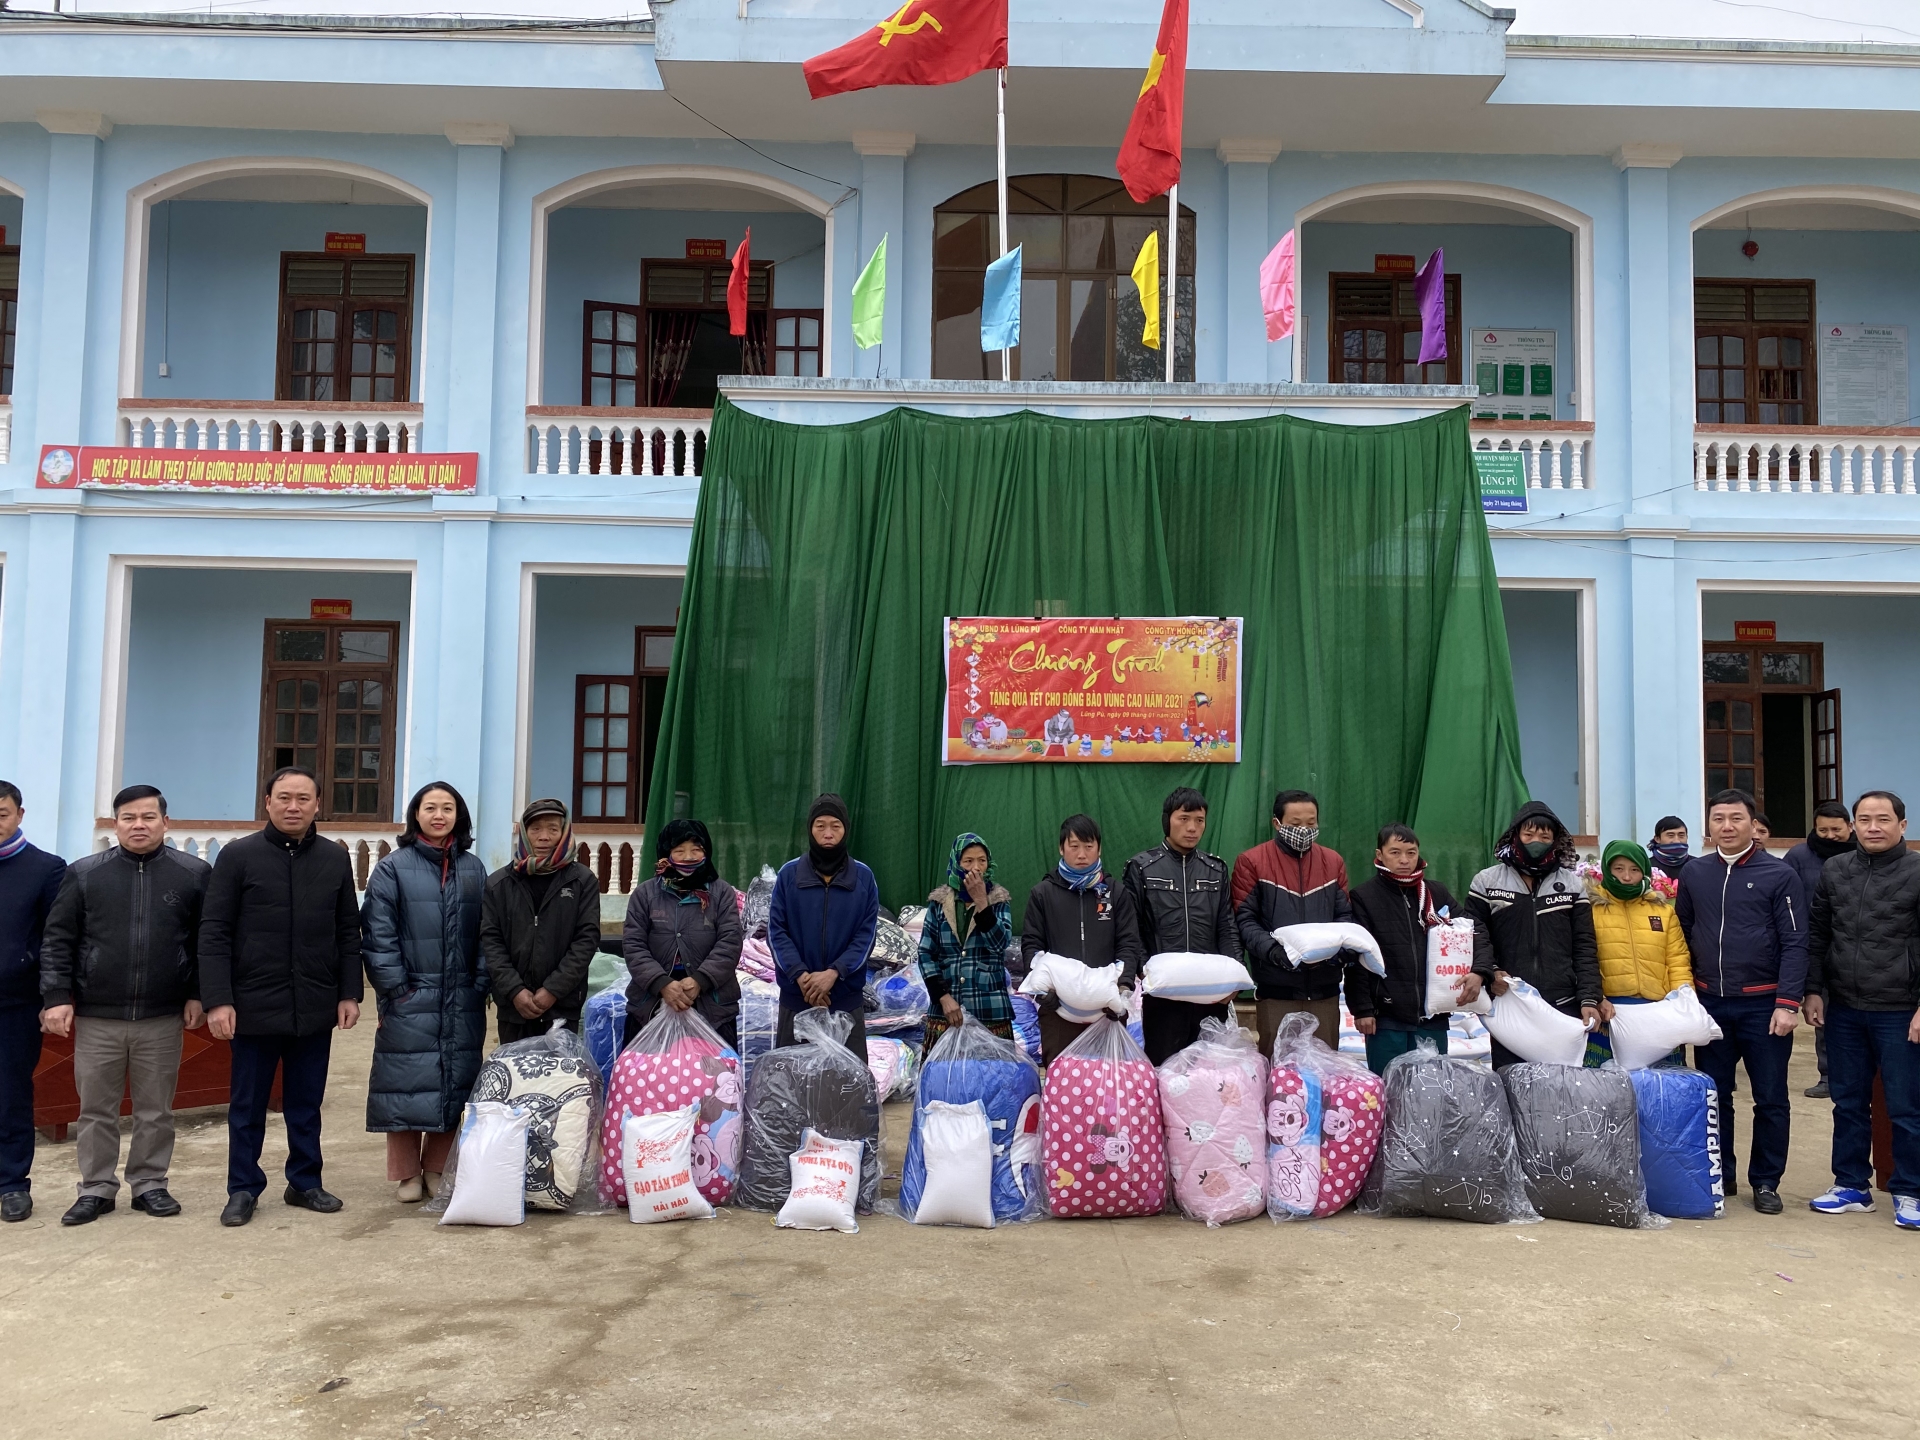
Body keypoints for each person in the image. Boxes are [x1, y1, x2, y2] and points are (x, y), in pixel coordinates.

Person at [199, 767, 362, 1228]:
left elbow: (348, 931)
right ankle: (243, 1188)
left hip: (314, 1002)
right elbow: (214, 932)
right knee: (247, 1105)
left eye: (304, 799)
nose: (294, 806)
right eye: (284, 797)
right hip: (252, 1004)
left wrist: (349, 992)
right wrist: (218, 999)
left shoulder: (333, 859)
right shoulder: (238, 856)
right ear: (267, 801)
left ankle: (305, 1181)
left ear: (317, 805)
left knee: (306, 1103)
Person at [37, 785, 208, 1225]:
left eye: (148, 817)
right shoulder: (85, 874)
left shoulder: (192, 874)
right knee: (95, 1110)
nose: (138, 825)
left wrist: (198, 993)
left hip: (162, 1014)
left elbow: (205, 941)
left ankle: (150, 1184)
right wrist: (56, 998)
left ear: (165, 823)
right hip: (97, 1015)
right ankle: (95, 1188)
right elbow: (58, 939)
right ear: (116, 824)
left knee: (156, 1109)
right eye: (129, 817)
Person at [1675, 788, 1806, 1215]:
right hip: (1711, 1004)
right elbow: (1682, 933)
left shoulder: (1779, 874)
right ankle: (1722, 1174)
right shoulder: (1695, 873)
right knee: (1715, 1095)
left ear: (1753, 824)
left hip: (1763, 1006)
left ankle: (1766, 1181)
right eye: (1718, 819)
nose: (1726, 827)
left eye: (1735, 818)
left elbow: (1795, 941)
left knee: (1770, 1097)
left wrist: (1788, 1003)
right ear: (1708, 826)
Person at [361, 782, 488, 1204]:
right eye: (430, 807)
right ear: (416, 814)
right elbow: (378, 934)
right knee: (405, 1082)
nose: (439, 815)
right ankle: (405, 1174)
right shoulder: (392, 868)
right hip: (410, 994)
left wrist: (480, 982)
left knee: (455, 1082)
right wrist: (396, 988)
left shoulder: (473, 868)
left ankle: (437, 1168)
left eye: (447, 808)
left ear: (458, 815)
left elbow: (489, 932)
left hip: (462, 995)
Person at [1804, 790, 1920, 1230]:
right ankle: (1851, 1184)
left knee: (1906, 1106)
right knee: (1847, 1101)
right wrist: (1813, 990)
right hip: (1845, 1008)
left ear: (1902, 826)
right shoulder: (1836, 870)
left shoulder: (1916, 871)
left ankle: (1910, 1190)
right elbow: (1818, 934)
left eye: (1883, 819)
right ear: (1854, 825)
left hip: (1899, 1008)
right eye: (1865, 819)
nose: (1874, 827)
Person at [1466, 801, 1604, 1070]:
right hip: (1510, 1004)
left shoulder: (1573, 885)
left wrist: (1590, 998)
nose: (1536, 841)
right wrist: (1490, 972)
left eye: (1544, 836)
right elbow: (1476, 934)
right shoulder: (1486, 882)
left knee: (1560, 1087)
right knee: (1511, 1082)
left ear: (1555, 840)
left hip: (1562, 1004)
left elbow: (1585, 946)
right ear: (1515, 835)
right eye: (1528, 835)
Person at [1122, 787, 1242, 1065]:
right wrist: (1145, 972)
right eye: (1184, 818)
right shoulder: (1141, 868)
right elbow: (1132, 929)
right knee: (1165, 1071)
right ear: (1167, 820)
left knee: (1209, 1076)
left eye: (1199, 820)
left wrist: (1235, 978)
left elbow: (1226, 926)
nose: (1192, 828)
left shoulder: (1216, 869)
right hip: (1164, 998)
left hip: (1211, 995)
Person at [1232, 790, 1354, 1060]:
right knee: (1278, 1072)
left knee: (1324, 1071)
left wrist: (1335, 956)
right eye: (1296, 823)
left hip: (1325, 990)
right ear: (1277, 824)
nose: (1304, 830)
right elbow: (1245, 920)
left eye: (1311, 823)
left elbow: (1345, 918)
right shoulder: (1252, 861)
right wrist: (1277, 954)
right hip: (1276, 988)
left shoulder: (1333, 862)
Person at [1020, 814, 1144, 1064]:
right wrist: (1045, 994)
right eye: (1074, 846)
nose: (1081, 854)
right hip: (1058, 1014)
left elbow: (1129, 943)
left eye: (1088, 846)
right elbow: (1032, 945)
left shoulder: (1115, 893)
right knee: (1063, 1081)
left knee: (1107, 1086)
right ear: (1061, 848)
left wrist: (1122, 988)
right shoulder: (1042, 894)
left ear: (1098, 848)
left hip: (1107, 1011)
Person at [0, 783, 68, 1223]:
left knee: (9, 1097)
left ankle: (11, 1184)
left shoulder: (46, 869)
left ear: (19, 815)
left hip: (14, 1005)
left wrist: (53, 998)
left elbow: (54, 941)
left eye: (1, 813)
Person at [480, 798, 601, 1044]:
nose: (543, 837)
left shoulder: (582, 881)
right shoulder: (499, 883)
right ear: (525, 834)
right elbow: (491, 941)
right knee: (517, 1077)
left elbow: (586, 939)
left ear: (564, 833)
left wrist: (553, 990)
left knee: (560, 1080)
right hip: (514, 1008)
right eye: (535, 829)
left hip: (562, 1006)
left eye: (553, 829)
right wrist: (515, 991)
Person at [1347, 824, 1466, 1076]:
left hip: (1432, 1016)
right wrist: (1363, 1009)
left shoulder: (1436, 893)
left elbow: (1469, 932)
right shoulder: (1364, 896)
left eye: (1411, 853)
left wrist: (1481, 972)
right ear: (1379, 855)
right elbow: (1356, 957)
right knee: (1388, 1090)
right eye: (1395, 852)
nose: (1404, 860)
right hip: (1387, 1018)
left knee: (1430, 1094)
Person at [768, 794, 877, 1062]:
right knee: (792, 1086)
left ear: (845, 829)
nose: (828, 833)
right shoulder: (789, 875)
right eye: (820, 825)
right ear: (810, 828)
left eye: (835, 826)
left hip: (844, 1000)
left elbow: (867, 934)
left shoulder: (863, 877)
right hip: (797, 998)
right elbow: (776, 931)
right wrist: (801, 976)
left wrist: (833, 974)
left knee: (847, 1087)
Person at [623, 818, 743, 1048]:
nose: (689, 857)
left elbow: (730, 943)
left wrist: (700, 980)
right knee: (648, 1078)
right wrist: (661, 984)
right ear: (665, 854)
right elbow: (633, 945)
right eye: (679, 850)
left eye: (696, 850)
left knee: (713, 1079)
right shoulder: (645, 894)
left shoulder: (722, 893)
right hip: (652, 1001)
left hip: (711, 1003)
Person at [1587, 839, 1692, 1066]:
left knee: (1658, 1087)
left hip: (1657, 1011)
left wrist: (1684, 1002)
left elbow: (1677, 961)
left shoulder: (1663, 911)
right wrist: (1595, 998)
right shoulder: (1590, 909)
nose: (1627, 877)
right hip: (1609, 1012)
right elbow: (1582, 959)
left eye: (1634, 870)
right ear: (1607, 869)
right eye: (1619, 869)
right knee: (1606, 1087)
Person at [915, 832, 1014, 1053]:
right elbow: (925, 953)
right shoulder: (939, 903)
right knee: (945, 1080)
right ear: (956, 862)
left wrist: (981, 901)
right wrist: (943, 996)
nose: (976, 868)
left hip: (989, 1010)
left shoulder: (999, 900)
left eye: (982, 860)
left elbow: (1000, 944)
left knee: (990, 1080)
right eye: (968, 861)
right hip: (947, 1011)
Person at [1787, 801, 1855, 1099]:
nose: (1829, 836)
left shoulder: (1861, 853)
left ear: (1850, 827)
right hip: (1815, 945)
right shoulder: (1798, 856)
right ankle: (1828, 1076)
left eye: (1836, 830)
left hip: (1855, 945)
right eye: (1822, 829)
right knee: (1821, 1014)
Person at [1647, 816, 1692, 884]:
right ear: (1657, 839)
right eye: (1670, 835)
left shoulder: (1697, 866)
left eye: (1681, 835)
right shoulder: (1647, 867)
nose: (1676, 841)